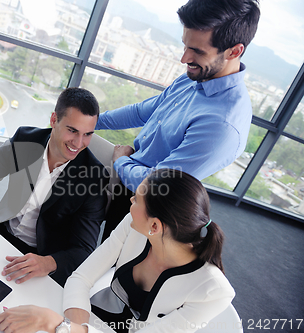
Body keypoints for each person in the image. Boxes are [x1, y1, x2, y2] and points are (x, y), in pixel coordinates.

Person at [97, 0, 260, 241]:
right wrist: (92, 121)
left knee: (116, 266)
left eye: (197, 51)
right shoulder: (195, 76)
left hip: (152, 207)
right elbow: (145, 111)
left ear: (234, 51)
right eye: (186, 45)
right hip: (129, 177)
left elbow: (155, 185)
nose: (184, 58)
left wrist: (121, 161)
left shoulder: (222, 126)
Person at [0, 169, 235, 333]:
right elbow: (81, 278)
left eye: (137, 199)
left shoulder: (214, 292)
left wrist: (58, 326)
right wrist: (74, 328)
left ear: (154, 226)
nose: (131, 201)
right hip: (89, 316)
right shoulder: (134, 225)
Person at [0, 88, 109, 286]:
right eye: (72, 130)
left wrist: (48, 263)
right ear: (53, 120)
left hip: (41, 260)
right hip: (1, 234)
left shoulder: (95, 178)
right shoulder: (26, 139)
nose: (78, 142)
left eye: (87, 134)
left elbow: (83, 249)